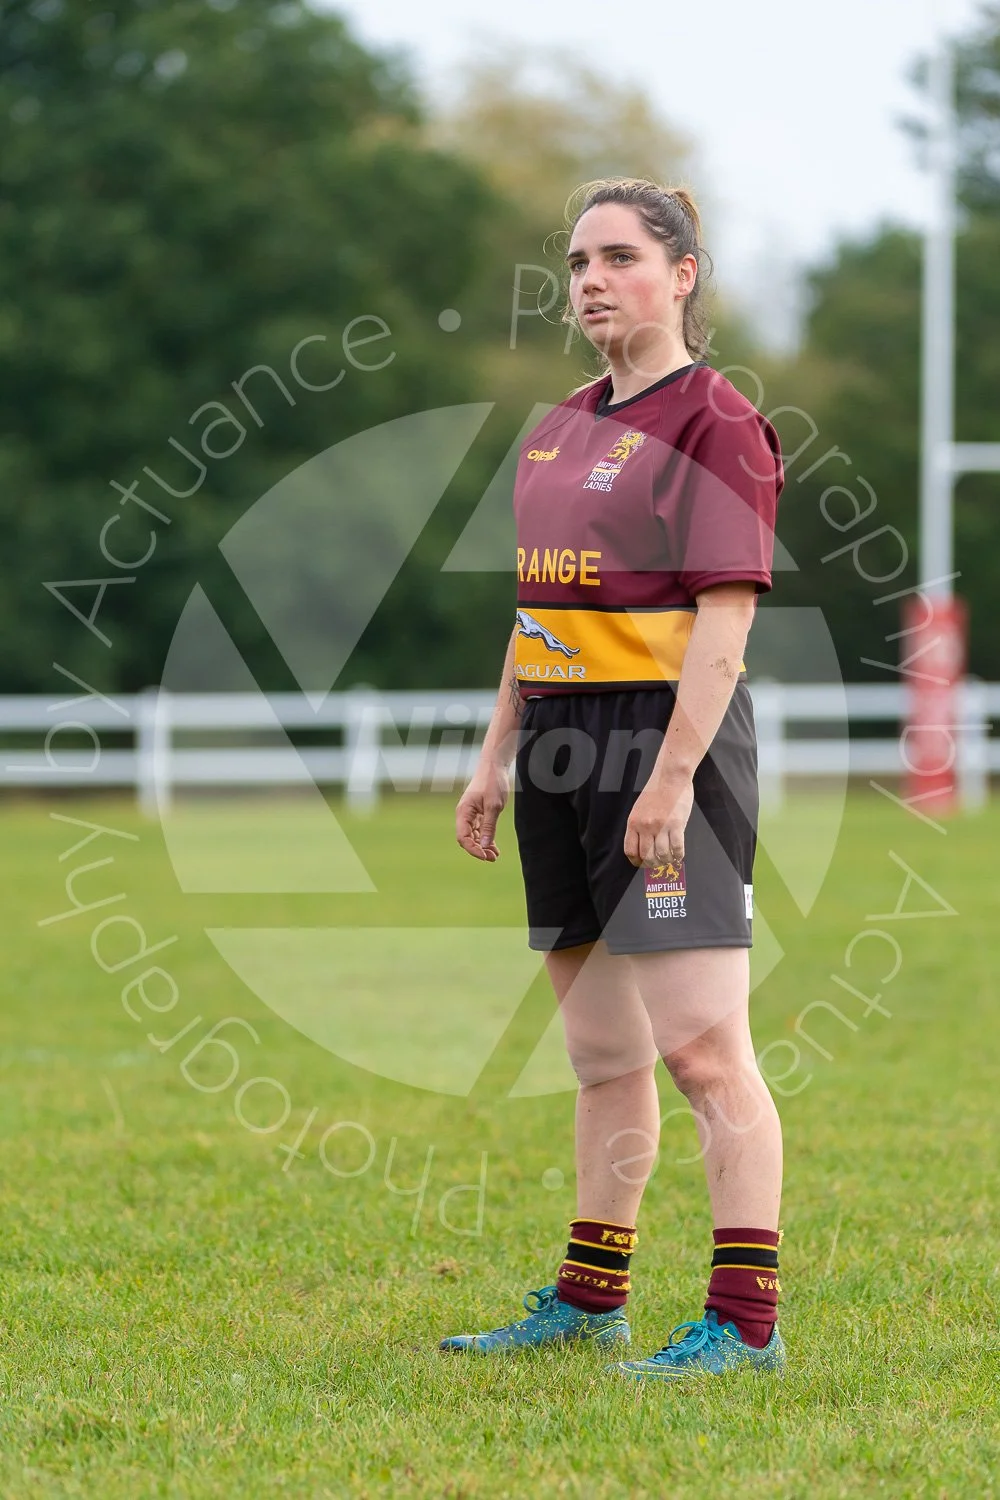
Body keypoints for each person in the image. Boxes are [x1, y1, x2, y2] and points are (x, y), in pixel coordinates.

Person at [442, 177, 786, 1382]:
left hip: (660, 745)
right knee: (600, 1056)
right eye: (579, 261)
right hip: (558, 747)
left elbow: (725, 621)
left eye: (621, 257)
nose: (591, 280)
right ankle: (589, 1301)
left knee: (702, 1051)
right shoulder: (555, 425)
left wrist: (674, 776)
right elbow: (536, 608)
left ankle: (744, 1324)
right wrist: (496, 752)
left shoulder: (716, 423)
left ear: (681, 274)